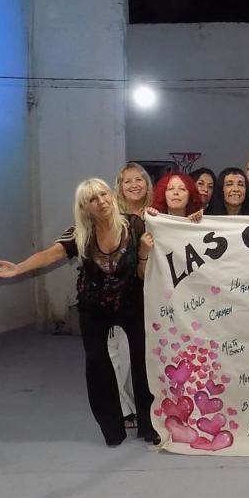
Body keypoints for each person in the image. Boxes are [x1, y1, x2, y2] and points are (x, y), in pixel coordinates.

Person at [0, 178, 159, 447]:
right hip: (93, 306)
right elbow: (49, 255)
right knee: (97, 363)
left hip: (131, 303)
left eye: (104, 194)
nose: (101, 201)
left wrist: (192, 221)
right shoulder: (79, 234)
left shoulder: (133, 225)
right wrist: (19, 268)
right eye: (93, 199)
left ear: (111, 196)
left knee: (142, 362)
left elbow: (167, 236)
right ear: (84, 207)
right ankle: (113, 429)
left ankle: (150, 426)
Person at [110, 162, 154, 429]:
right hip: (120, 295)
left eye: (139, 179)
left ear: (147, 185)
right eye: (128, 181)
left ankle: (145, 407)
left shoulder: (156, 216)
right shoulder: (111, 218)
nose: (134, 185)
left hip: (151, 294)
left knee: (144, 356)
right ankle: (125, 408)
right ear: (120, 187)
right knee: (120, 356)